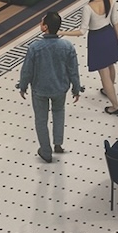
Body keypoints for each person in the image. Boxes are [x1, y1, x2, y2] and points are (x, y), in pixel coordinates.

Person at [16, 13, 82, 162]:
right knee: (59, 113)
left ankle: (46, 152)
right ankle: (58, 143)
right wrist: (76, 89)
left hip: (40, 90)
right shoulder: (67, 46)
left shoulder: (35, 47)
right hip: (60, 88)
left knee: (41, 120)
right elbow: (73, 70)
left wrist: (23, 86)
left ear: (45, 27)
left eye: (41, 21)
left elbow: (27, 70)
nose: (40, 23)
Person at [82, 0, 118, 116]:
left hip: (97, 39)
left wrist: (62, 32)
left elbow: (82, 31)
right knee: (111, 65)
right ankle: (108, 89)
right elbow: (115, 20)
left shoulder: (88, 7)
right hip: (109, 34)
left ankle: (115, 105)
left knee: (104, 75)